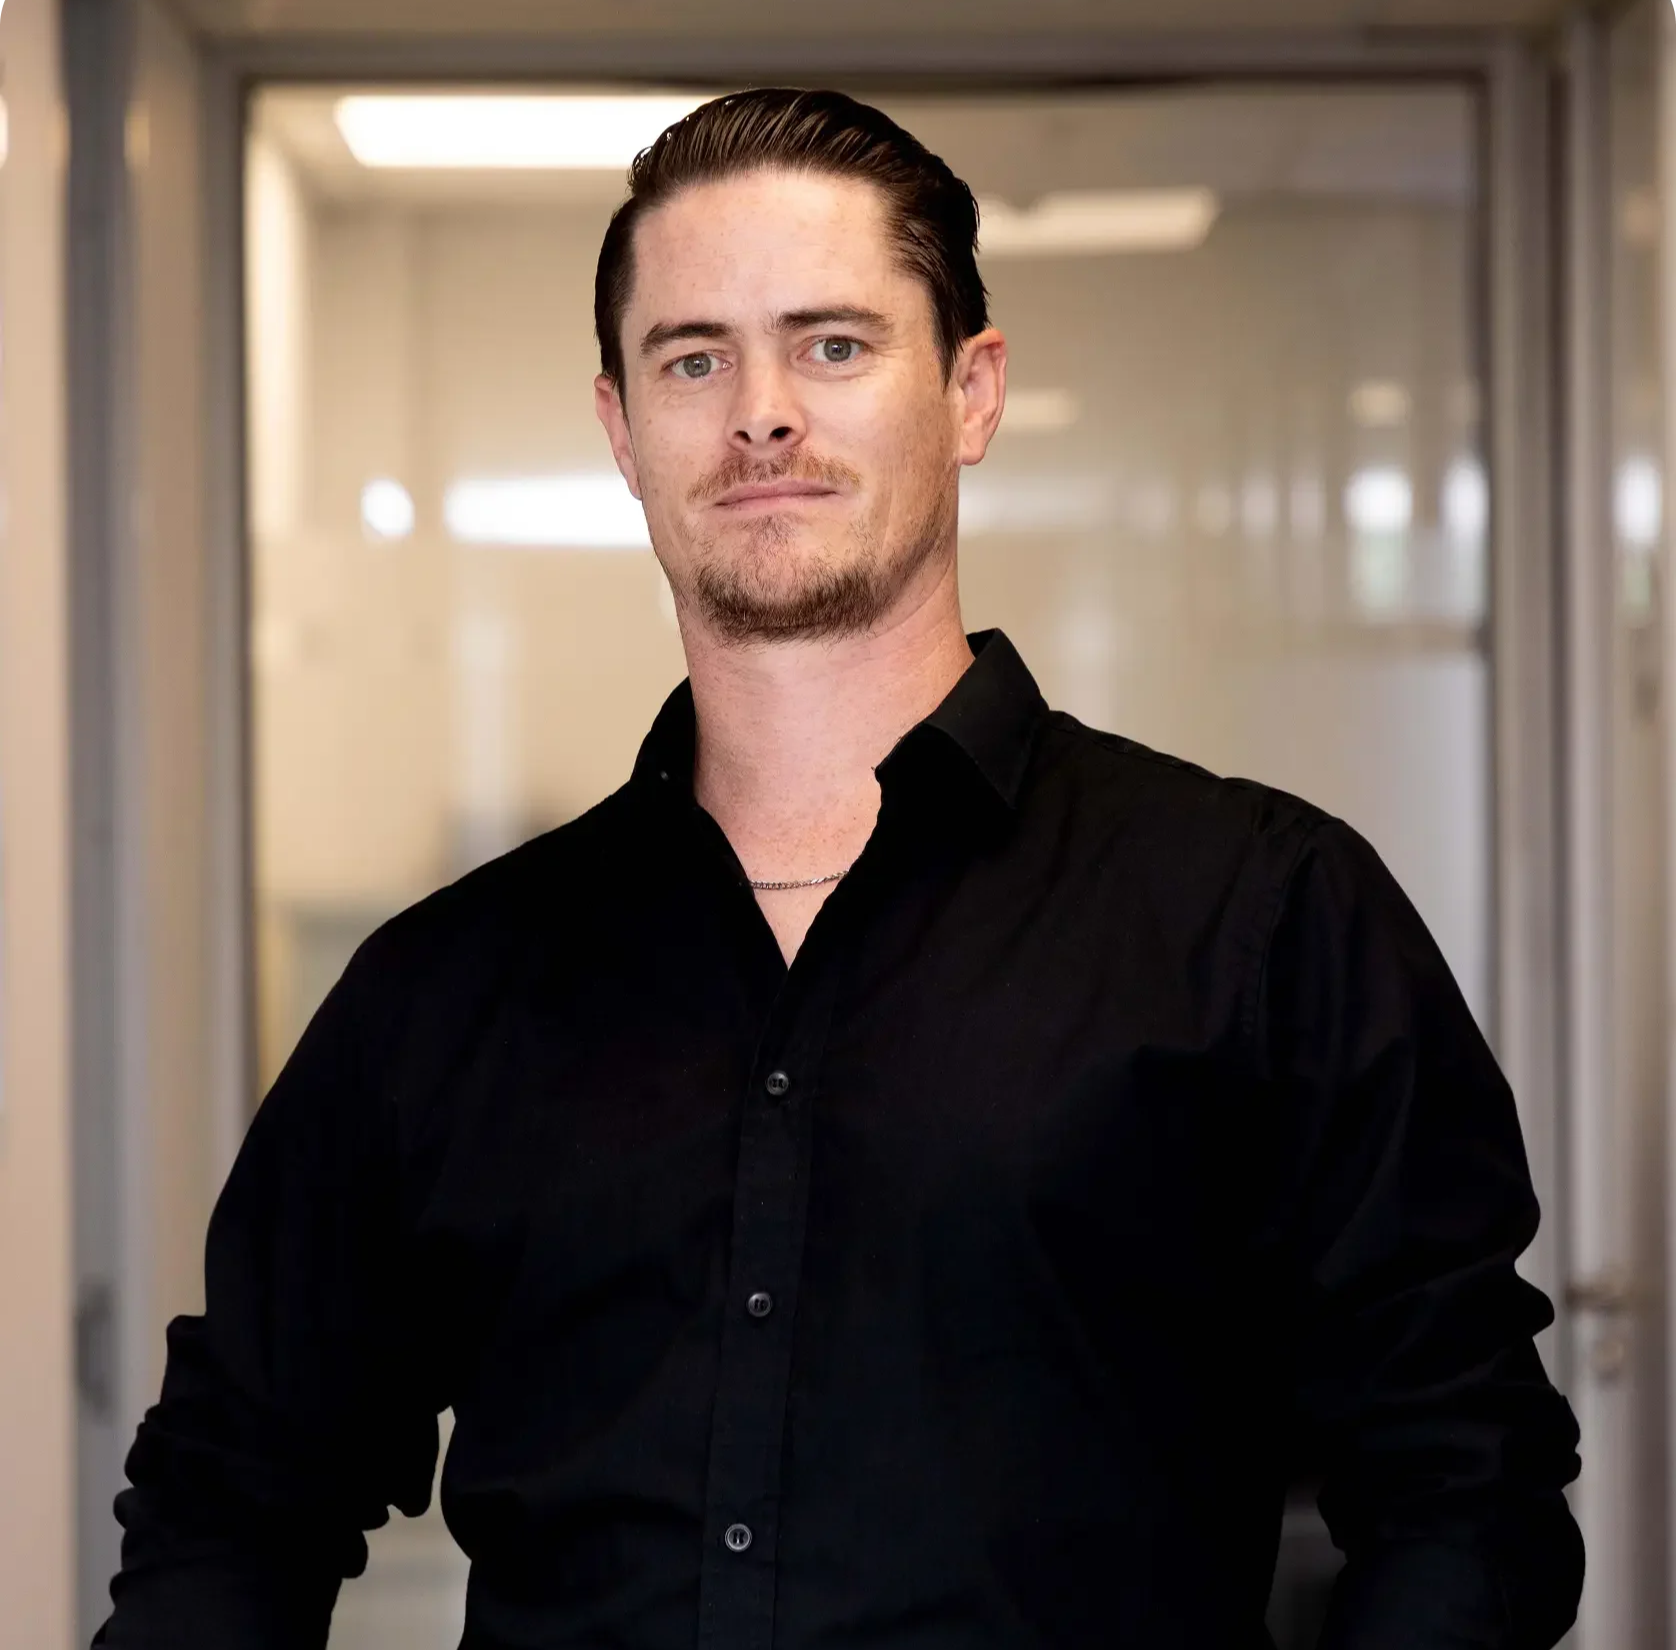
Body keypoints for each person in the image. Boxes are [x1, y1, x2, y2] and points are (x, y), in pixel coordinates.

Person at [95, 87, 1582, 1649]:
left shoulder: (1261, 920)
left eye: (834, 344)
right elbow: (231, 1500)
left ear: (972, 393)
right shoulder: (443, 991)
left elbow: (1462, 1503)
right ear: (622, 427)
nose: (760, 413)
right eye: (694, 358)